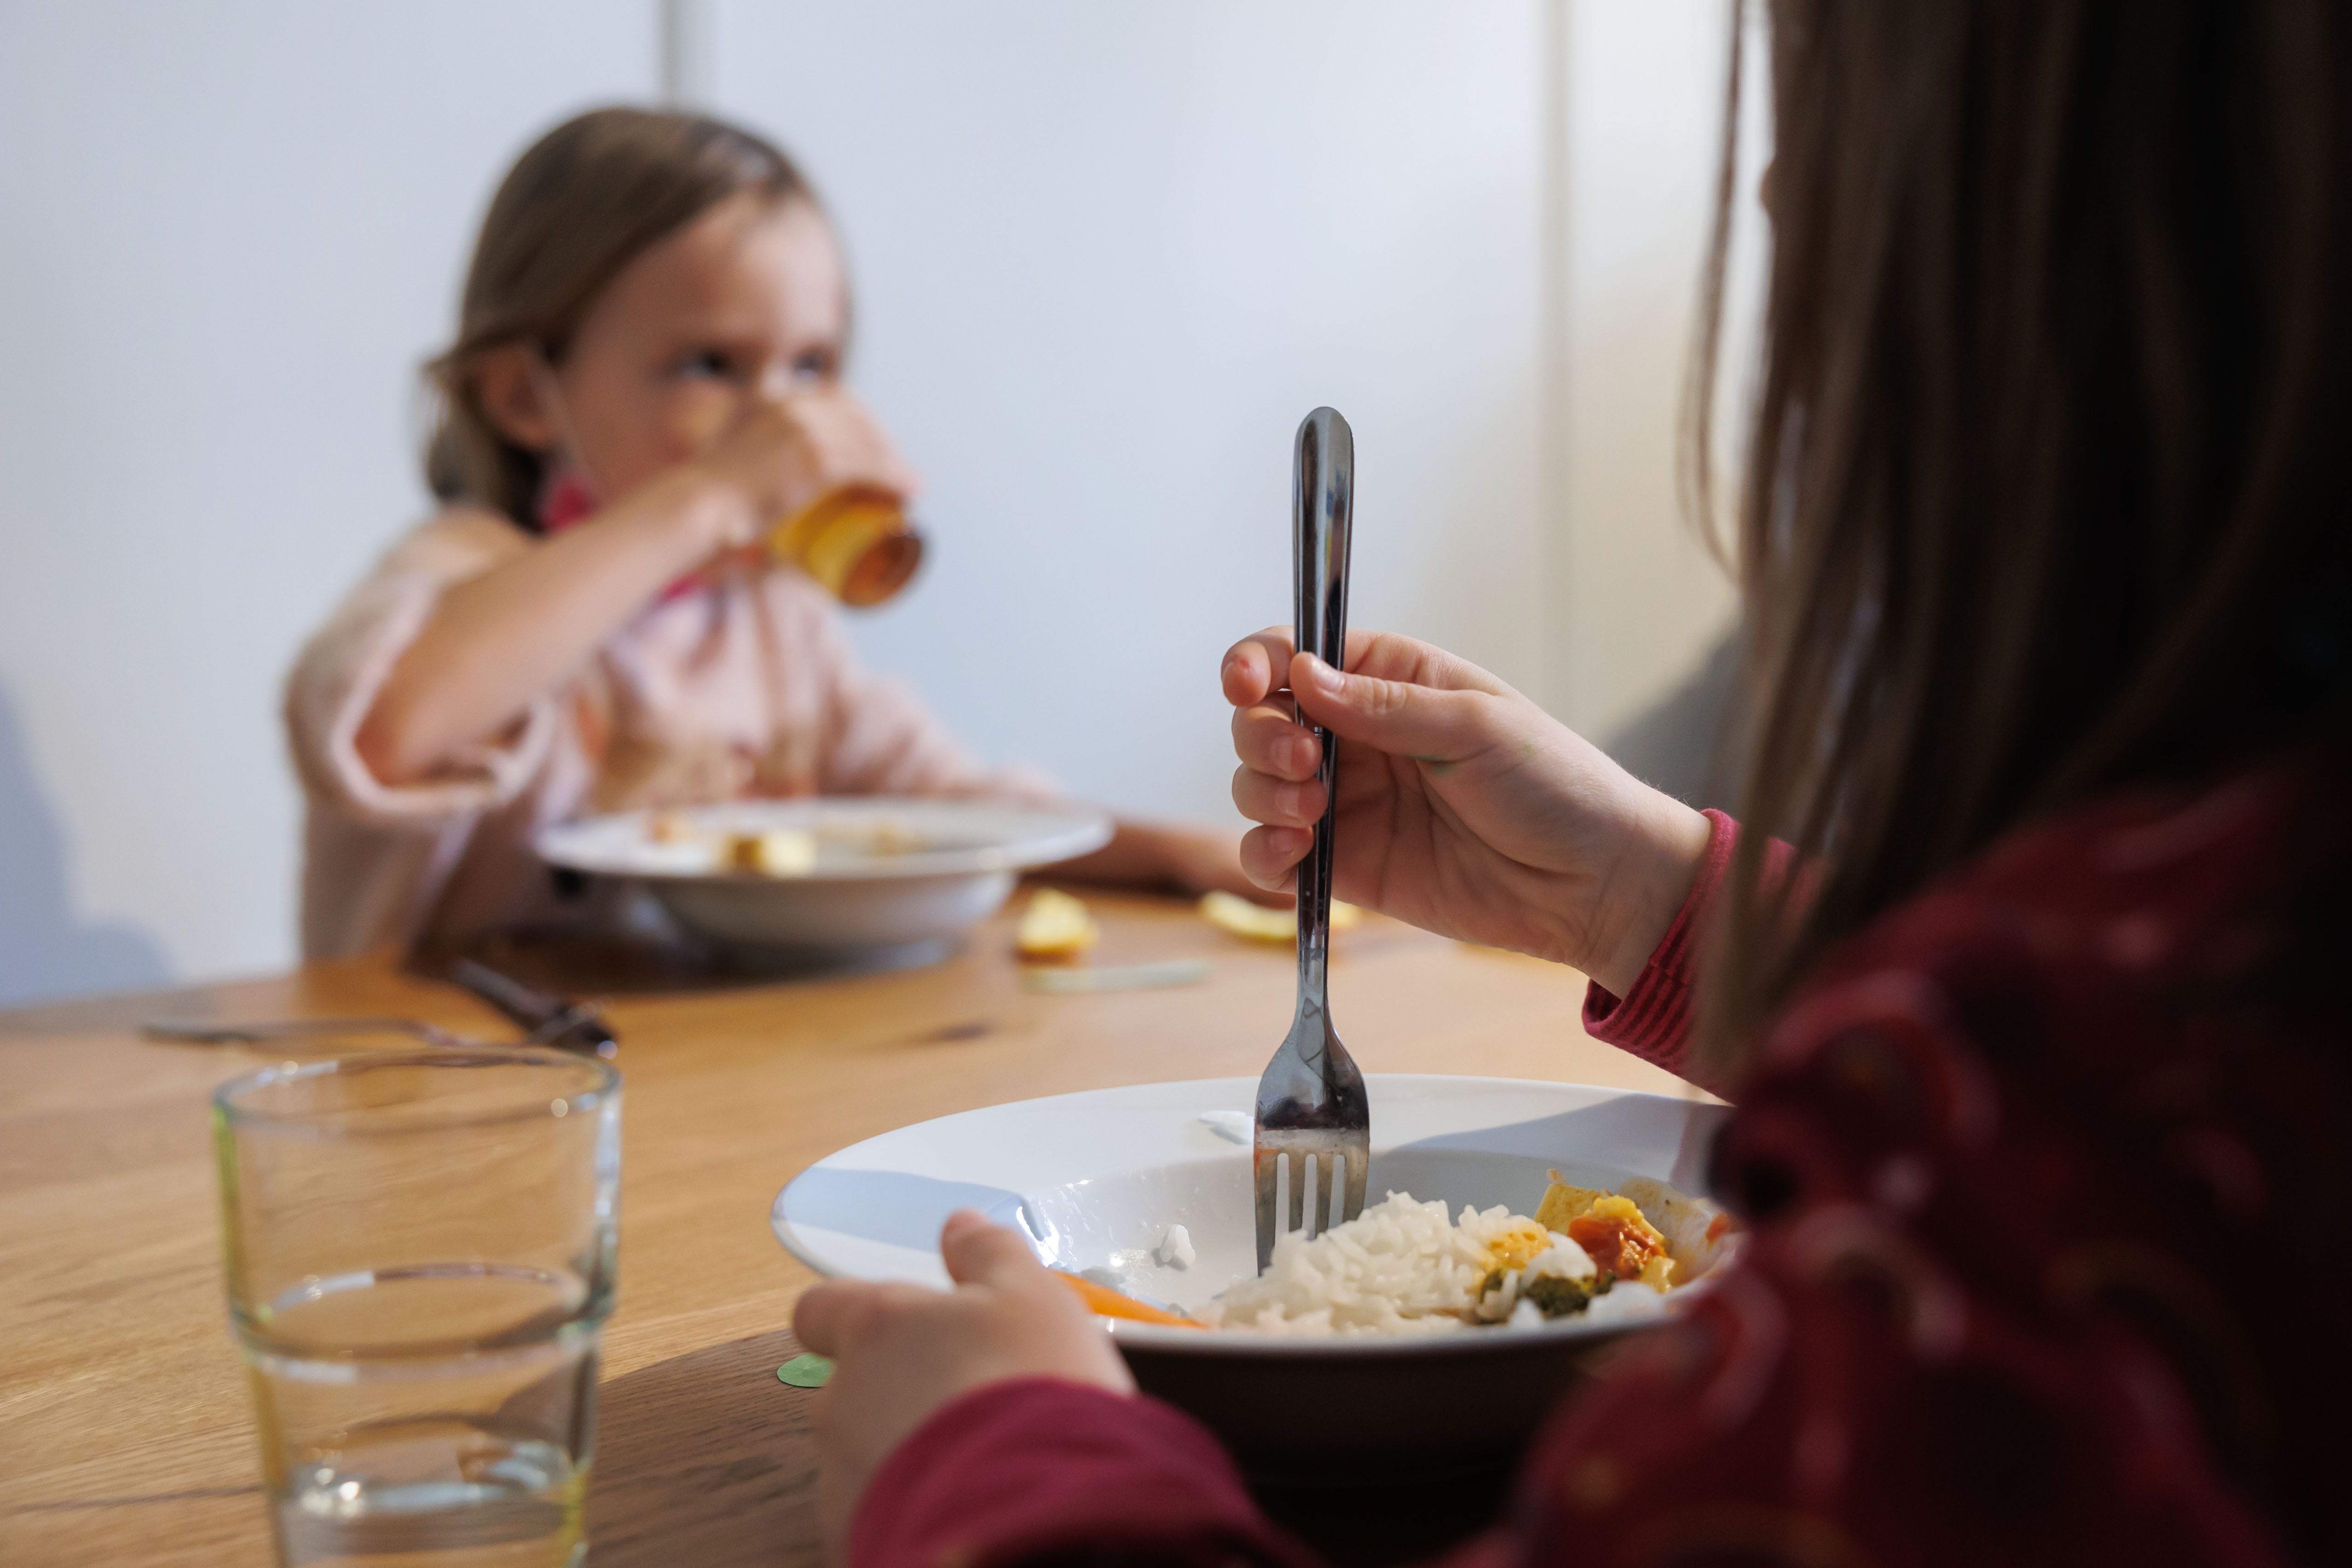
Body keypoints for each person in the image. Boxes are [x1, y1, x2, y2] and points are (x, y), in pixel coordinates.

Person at [791, 2, 2352, 1564]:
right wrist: (1639, 892)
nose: (1771, 206)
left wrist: (1010, 1477)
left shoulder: (2074, 1125)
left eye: (1809, 125)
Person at [285, 108, 1251, 959]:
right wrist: (709, 498)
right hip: (449, 1086)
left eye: (810, 367)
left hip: (709, 1076)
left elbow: (957, 808)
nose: (780, 420)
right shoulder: (470, 572)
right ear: (521, 397)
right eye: (711, 364)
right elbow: (384, 734)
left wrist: (1180, 855)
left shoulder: (774, 623)